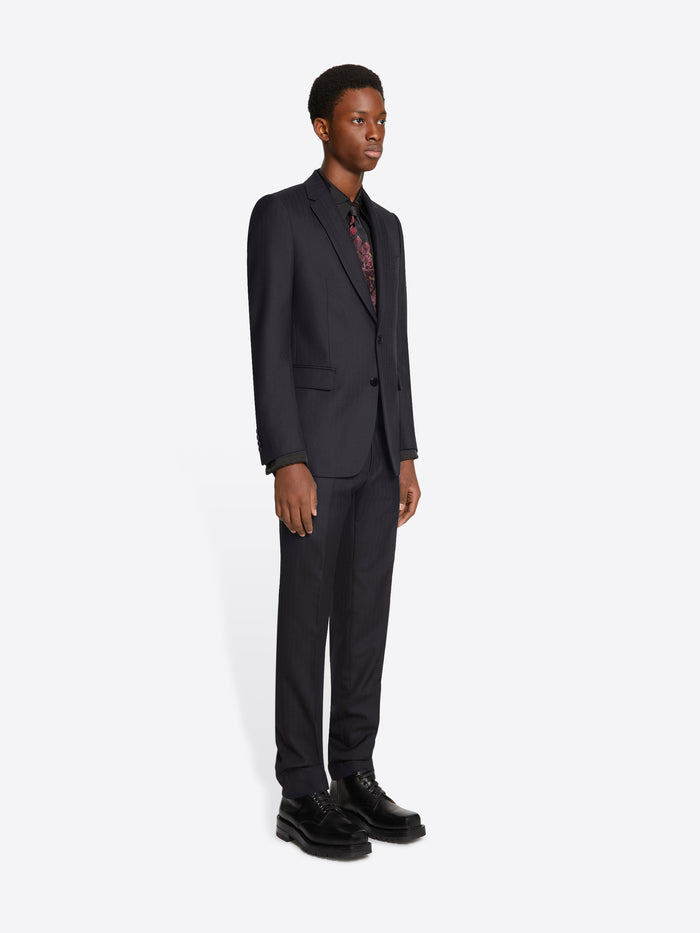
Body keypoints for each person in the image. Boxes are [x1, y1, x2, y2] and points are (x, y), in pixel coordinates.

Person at [247, 64, 425, 860]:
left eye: (381, 120)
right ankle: (300, 788)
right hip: (315, 458)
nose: (374, 133)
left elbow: (396, 348)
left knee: (364, 621)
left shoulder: (389, 228)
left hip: (380, 455)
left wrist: (406, 449)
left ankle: (353, 771)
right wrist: (286, 457)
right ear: (323, 126)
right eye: (359, 120)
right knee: (306, 620)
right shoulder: (282, 216)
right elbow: (268, 347)